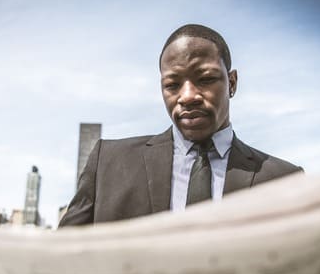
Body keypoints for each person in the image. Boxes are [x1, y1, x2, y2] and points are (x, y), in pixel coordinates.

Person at [59, 24, 302, 226]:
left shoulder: (285, 180)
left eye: (205, 79)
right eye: (172, 85)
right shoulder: (107, 163)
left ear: (232, 82)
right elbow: (59, 262)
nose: (187, 96)